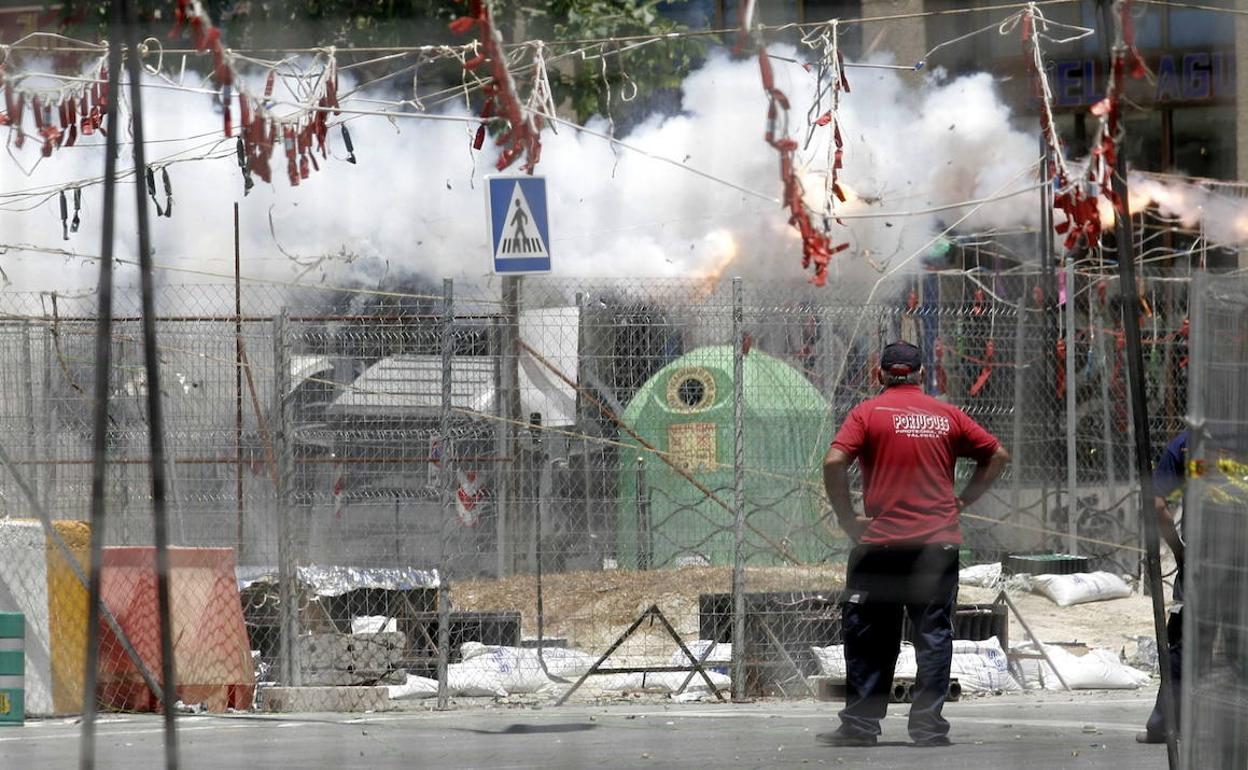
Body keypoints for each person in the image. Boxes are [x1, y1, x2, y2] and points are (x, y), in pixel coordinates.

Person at [819, 341, 1010, 748]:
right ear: (923, 373)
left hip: (881, 547)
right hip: (936, 547)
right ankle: (927, 728)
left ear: (879, 374)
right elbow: (998, 455)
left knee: (870, 634)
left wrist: (847, 518)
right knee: (933, 635)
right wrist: (964, 500)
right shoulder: (947, 415)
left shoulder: (867, 413)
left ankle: (861, 727)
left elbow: (834, 462)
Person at [1138, 430, 1187, 745]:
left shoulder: (1187, 446)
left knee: (1183, 640)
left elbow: (1156, 505)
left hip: (1203, 563)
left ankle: (1163, 723)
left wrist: (1181, 553)